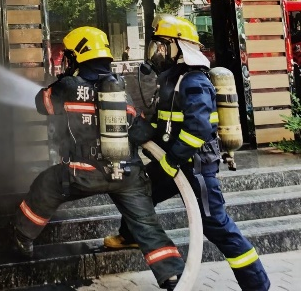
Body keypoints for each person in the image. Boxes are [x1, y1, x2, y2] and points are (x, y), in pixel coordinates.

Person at [104, 15, 271, 291]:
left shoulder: (194, 82)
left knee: (216, 224)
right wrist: (136, 131)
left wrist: (171, 160)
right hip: (174, 162)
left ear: (179, 47)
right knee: (139, 190)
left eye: (162, 46)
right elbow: (161, 123)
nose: (157, 53)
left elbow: (198, 129)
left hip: (196, 166)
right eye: (156, 47)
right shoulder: (171, 81)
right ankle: (130, 234)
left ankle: (257, 284)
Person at [12, 26, 184, 291]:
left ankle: (22, 237)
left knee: (46, 185)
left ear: (76, 56)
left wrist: (62, 81)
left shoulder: (68, 87)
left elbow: (41, 104)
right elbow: (142, 132)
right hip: (127, 174)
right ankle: (172, 275)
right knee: (147, 225)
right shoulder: (121, 90)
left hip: (83, 173)